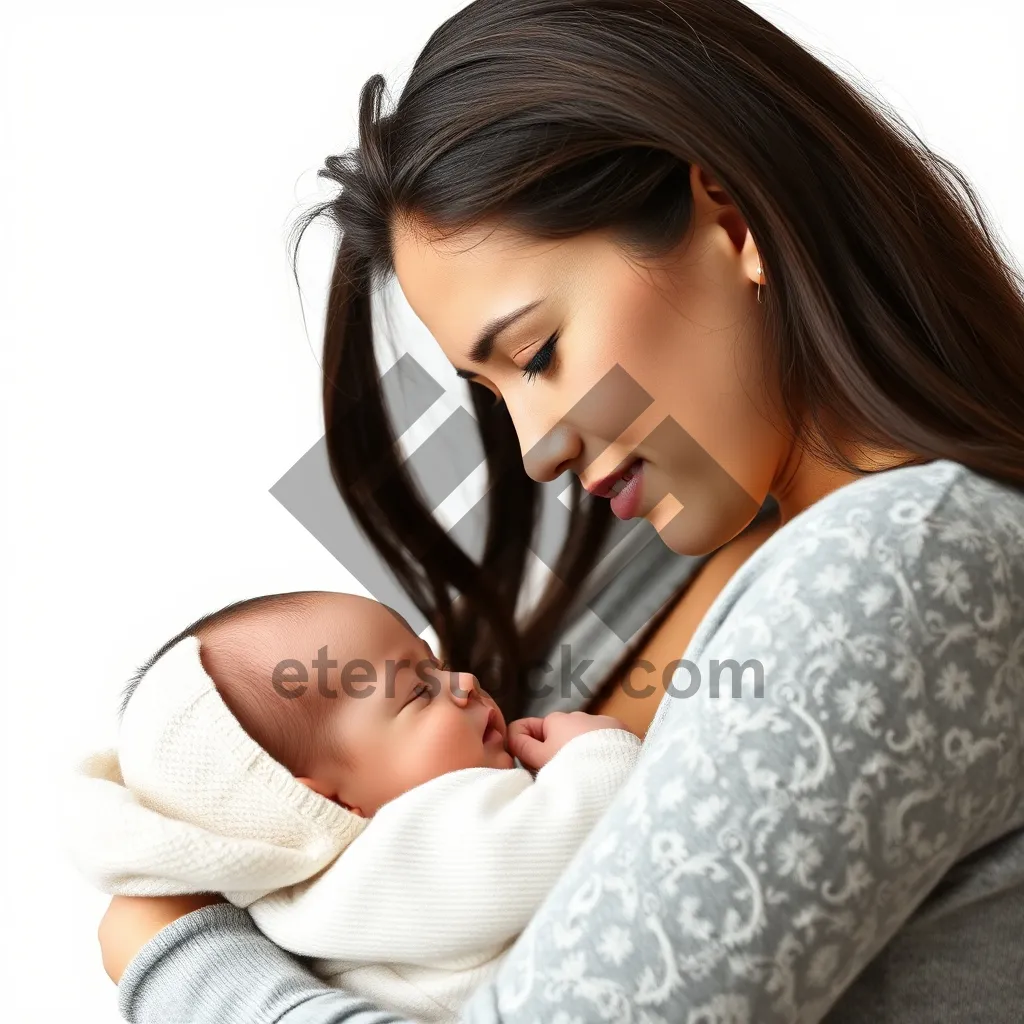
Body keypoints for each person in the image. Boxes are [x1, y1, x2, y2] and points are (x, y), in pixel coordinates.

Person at [97, 0, 1024, 1020]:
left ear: (727, 217)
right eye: (491, 393)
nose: (536, 449)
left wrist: (183, 963)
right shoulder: (626, 546)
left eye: (537, 353)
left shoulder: (900, 566)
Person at [69, 591, 640, 1023]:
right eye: (419, 691)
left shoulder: (308, 911)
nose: (464, 682)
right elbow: (580, 836)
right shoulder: (400, 857)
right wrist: (594, 755)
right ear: (319, 801)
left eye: (435, 667)